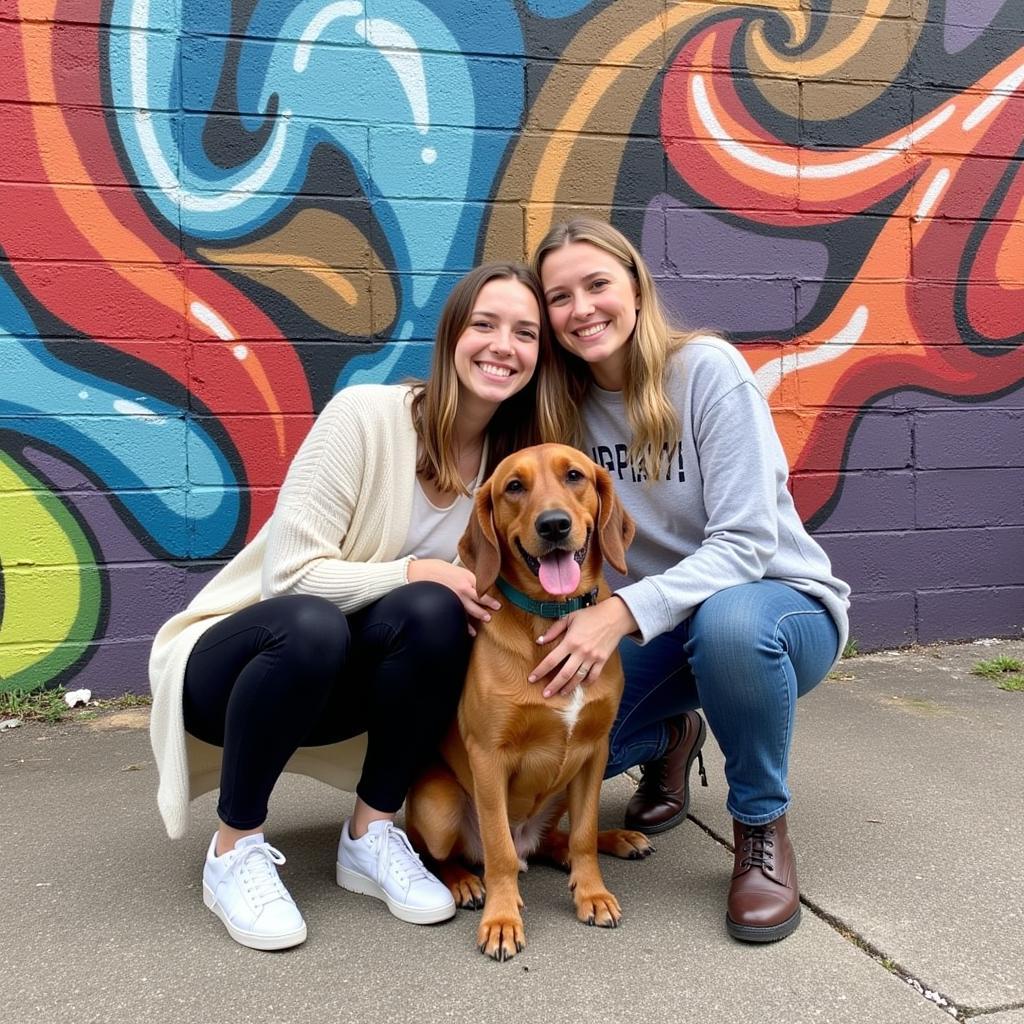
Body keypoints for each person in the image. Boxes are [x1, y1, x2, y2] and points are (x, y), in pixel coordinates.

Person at [148, 262, 560, 950]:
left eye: (524, 333)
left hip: (343, 687)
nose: (503, 346)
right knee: (319, 622)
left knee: (435, 611)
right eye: (485, 324)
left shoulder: (512, 475)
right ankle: (233, 849)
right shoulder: (366, 416)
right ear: (453, 334)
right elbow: (290, 576)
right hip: (238, 666)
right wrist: (416, 567)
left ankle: (370, 835)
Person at [529, 219, 850, 943]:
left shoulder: (705, 370)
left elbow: (743, 543)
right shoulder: (561, 411)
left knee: (729, 623)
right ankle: (672, 737)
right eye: (559, 297)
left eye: (597, 285)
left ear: (636, 290)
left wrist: (616, 615)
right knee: (555, 754)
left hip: (776, 611)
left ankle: (761, 830)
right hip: (664, 625)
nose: (581, 308)